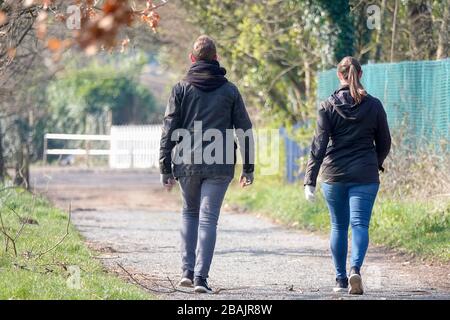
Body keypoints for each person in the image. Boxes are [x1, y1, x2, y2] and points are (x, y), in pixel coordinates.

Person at [159, 35, 254, 294]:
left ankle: (186, 273)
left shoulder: (180, 88)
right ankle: (201, 279)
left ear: (192, 58)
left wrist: (164, 167)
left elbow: (169, 129)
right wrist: (249, 167)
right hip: (220, 163)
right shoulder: (230, 90)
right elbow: (244, 129)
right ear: (216, 58)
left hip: (187, 163)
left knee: (189, 213)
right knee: (208, 219)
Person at [304, 56, 391, 295]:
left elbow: (318, 145)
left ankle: (341, 280)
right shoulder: (374, 105)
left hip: (334, 175)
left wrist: (309, 181)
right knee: (360, 224)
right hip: (365, 173)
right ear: (360, 75)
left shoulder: (327, 106)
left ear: (338, 75)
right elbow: (384, 142)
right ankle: (355, 269)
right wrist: (375, 163)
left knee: (338, 226)